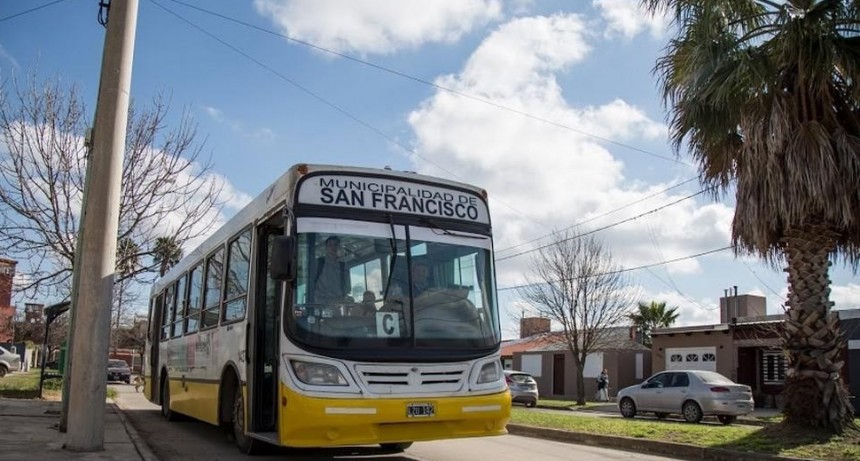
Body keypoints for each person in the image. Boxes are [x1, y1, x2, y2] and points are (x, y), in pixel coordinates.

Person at [313, 236, 349, 304]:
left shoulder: (344, 266)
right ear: (326, 248)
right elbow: (310, 283)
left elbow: (347, 287)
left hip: (336, 304)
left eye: (335, 245)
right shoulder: (318, 263)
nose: (333, 247)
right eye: (330, 245)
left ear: (339, 247)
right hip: (319, 303)